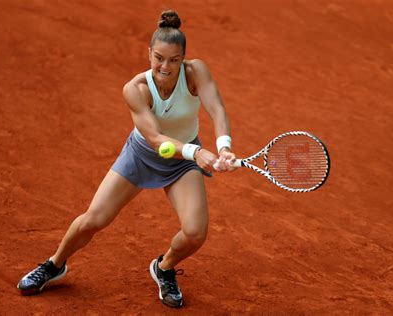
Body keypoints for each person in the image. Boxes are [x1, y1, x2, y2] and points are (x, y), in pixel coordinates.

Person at [17, 10, 237, 308]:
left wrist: (223, 147)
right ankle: (55, 264)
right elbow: (158, 141)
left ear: (184, 58)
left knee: (195, 233)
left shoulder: (196, 72)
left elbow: (217, 109)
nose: (165, 66)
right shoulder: (136, 89)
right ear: (149, 53)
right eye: (159, 57)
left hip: (182, 163)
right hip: (142, 156)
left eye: (174, 60)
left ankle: (164, 267)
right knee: (92, 221)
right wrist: (197, 152)